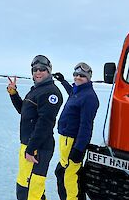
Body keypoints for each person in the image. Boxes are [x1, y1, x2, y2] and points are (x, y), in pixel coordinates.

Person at [7, 55, 63, 200]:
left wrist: (31, 148)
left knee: (31, 190)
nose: (38, 72)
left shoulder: (50, 92)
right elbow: (24, 111)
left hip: (38, 148)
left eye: (42, 69)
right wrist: (13, 94)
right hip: (29, 145)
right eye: (35, 69)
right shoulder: (37, 90)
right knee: (27, 186)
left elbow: (45, 124)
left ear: (49, 71)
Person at [53, 62, 99, 200]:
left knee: (67, 175)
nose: (78, 77)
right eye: (76, 75)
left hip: (73, 141)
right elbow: (71, 91)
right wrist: (62, 81)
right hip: (65, 140)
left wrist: (79, 149)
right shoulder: (78, 91)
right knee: (63, 172)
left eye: (82, 76)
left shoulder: (89, 97)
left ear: (89, 78)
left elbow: (86, 126)